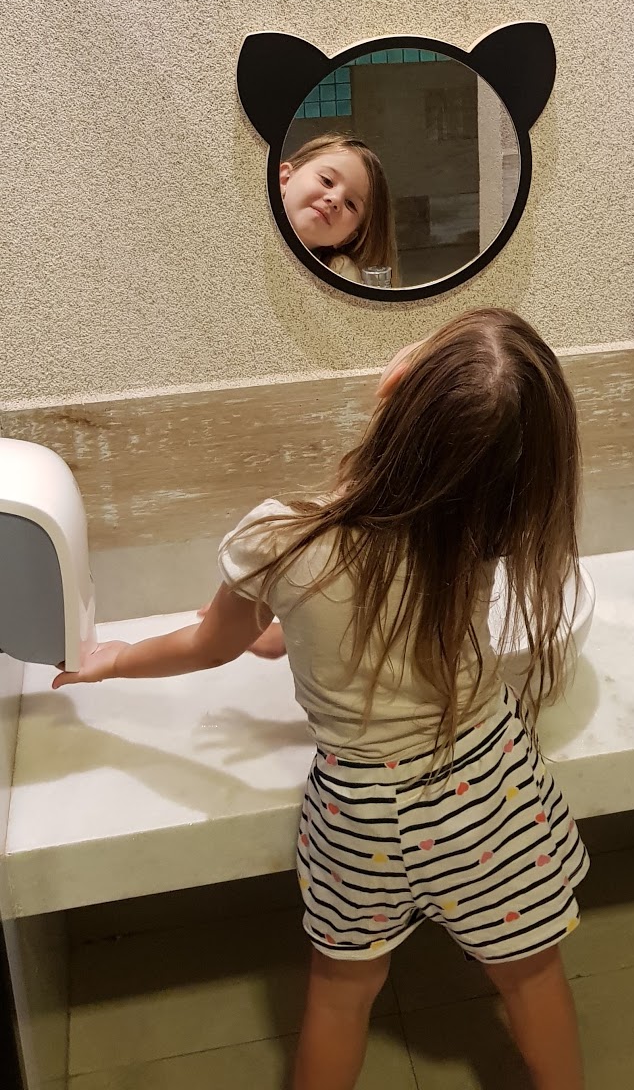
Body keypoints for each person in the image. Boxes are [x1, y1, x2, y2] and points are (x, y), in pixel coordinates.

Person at [53, 309, 589, 1089]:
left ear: (394, 389)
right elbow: (388, 600)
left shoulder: (283, 538)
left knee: (341, 996)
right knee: (530, 977)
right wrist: (289, 636)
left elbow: (212, 644)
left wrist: (113, 660)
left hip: (360, 808)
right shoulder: (477, 529)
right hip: (487, 786)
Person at [280, 134, 398, 285]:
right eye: (327, 181)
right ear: (284, 178)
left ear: (347, 238)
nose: (335, 199)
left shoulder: (341, 273)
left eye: (350, 204)